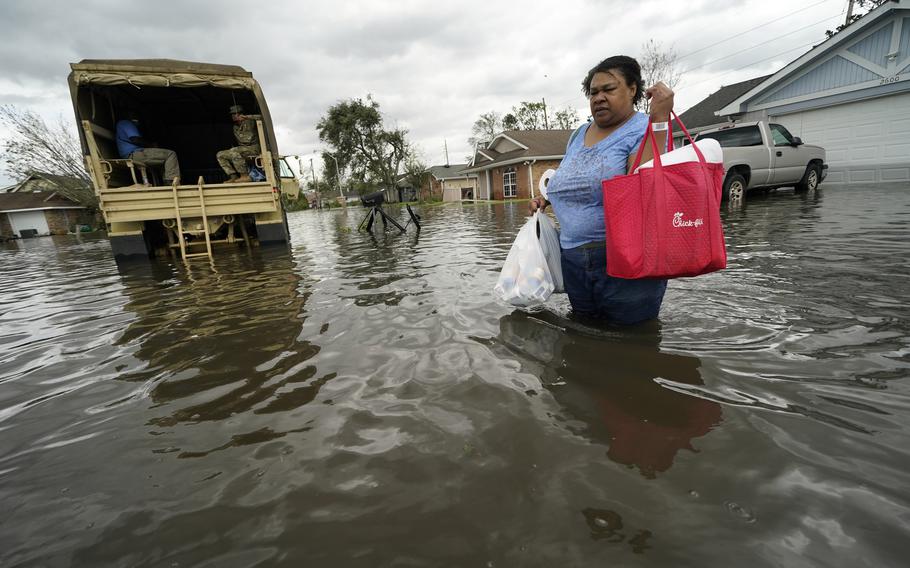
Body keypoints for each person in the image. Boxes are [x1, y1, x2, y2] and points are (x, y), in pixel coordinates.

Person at [529, 55, 675, 325]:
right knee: (584, 335)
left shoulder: (645, 128)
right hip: (573, 259)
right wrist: (546, 201)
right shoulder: (579, 133)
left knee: (631, 343)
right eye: (593, 92)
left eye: (609, 89)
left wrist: (660, 120)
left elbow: (644, 186)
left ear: (633, 90)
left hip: (625, 259)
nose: (598, 97)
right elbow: (570, 181)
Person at [115, 111, 181, 186]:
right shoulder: (126, 123)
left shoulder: (123, 124)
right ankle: (172, 182)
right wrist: (152, 145)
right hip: (135, 153)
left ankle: (168, 184)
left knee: (164, 162)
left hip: (133, 154)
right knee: (170, 154)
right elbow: (135, 139)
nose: (136, 117)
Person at [217, 104, 263, 183]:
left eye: (236, 114)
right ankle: (233, 176)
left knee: (235, 151)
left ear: (241, 113)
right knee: (220, 154)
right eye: (232, 114)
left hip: (253, 148)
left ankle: (244, 176)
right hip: (241, 149)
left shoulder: (250, 122)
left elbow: (261, 117)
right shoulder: (235, 127)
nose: (234, 116)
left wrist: (247, 117)